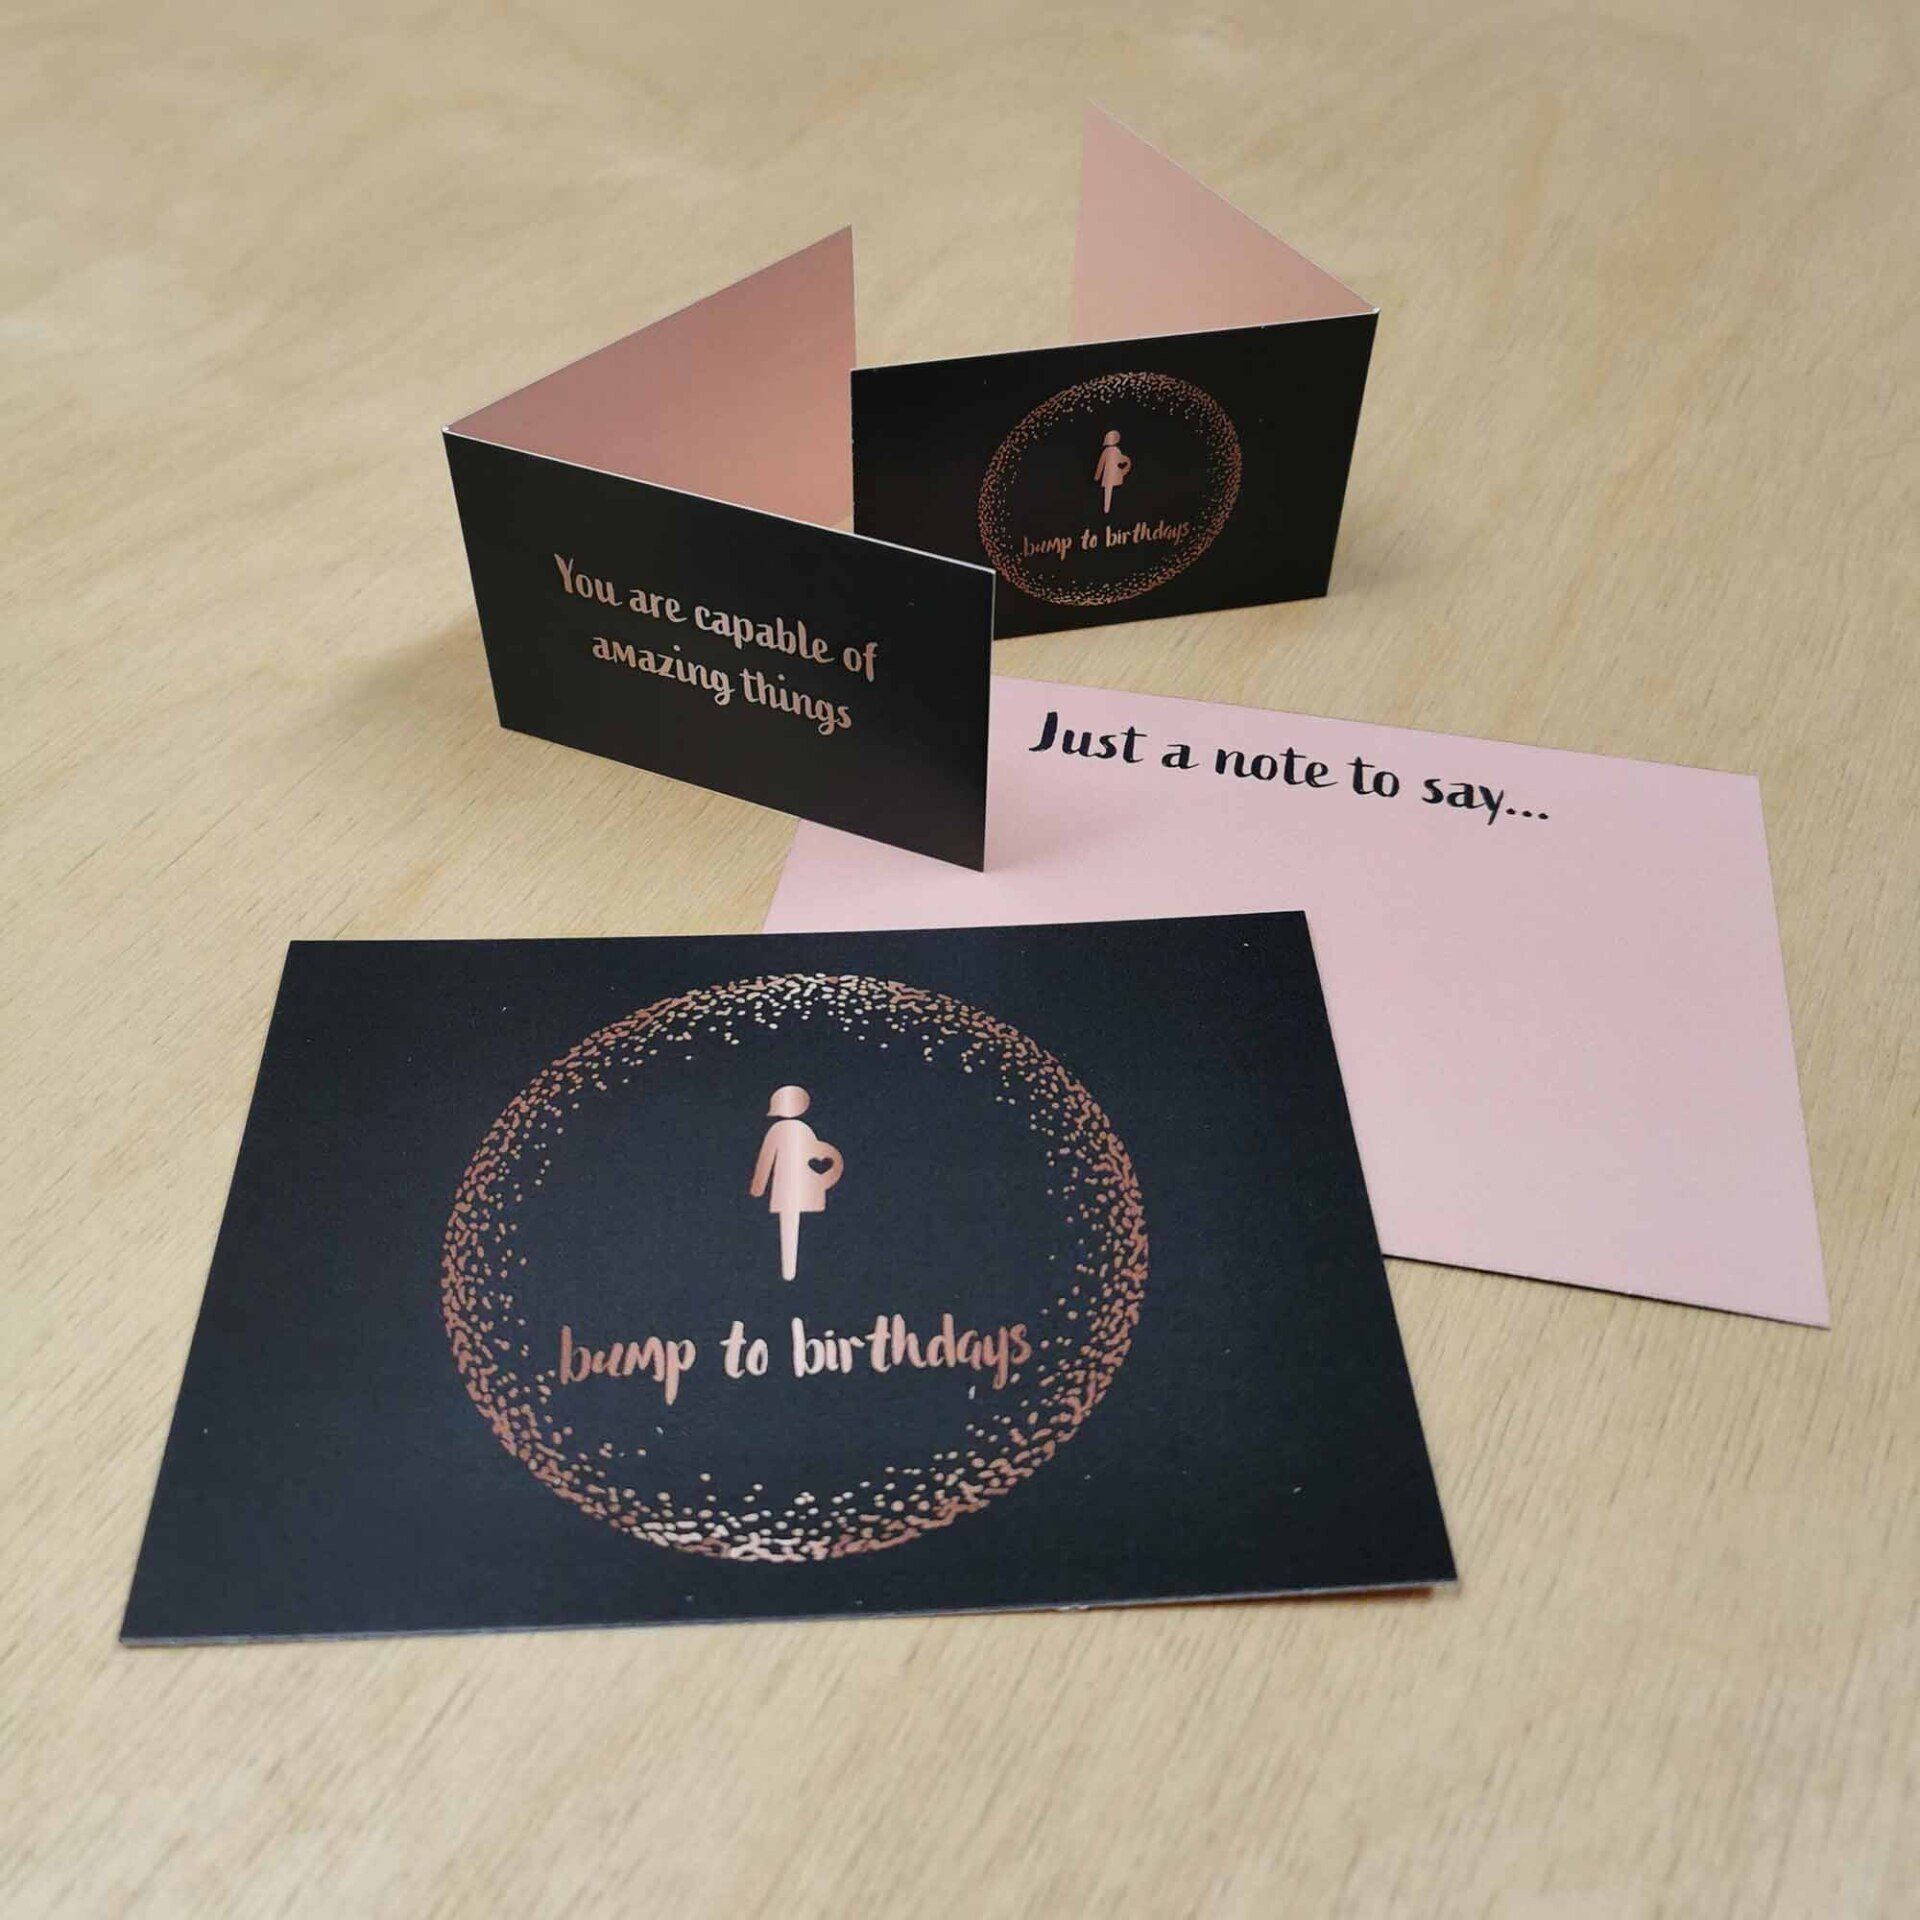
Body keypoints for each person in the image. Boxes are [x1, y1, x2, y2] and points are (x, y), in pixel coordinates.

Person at [748, 1085, 843, 1281]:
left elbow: (766, 1160)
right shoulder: (804, 1129)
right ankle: (789, 1272)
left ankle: (789, 1272)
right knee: (791, 1225)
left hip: (787, 1189)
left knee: (788, 1224)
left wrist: (758, 1188)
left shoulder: (778, 1130)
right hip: (799, 1188)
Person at [1093, 429, 1132, 513]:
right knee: (1109, 492)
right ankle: (1106, 509)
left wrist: (1097, 476)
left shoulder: (1107, 451)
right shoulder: (1115, 450)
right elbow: (1120, 460)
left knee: (1108, 492)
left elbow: (1101, 464)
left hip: (1109, 477)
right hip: (1112, 476)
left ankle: (1106, 509)